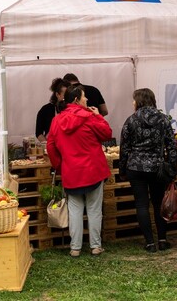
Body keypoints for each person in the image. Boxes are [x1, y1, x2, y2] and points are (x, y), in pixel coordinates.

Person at [46, 84, 112, 257]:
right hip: (93, 170)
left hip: (71, 172)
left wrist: (60, 165)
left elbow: (51, 146)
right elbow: (106, 134)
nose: (87, 99)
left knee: (74, 210)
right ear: (76, 99)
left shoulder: (57, 120)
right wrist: (99, 116)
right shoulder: (89, 116)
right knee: (94, 209)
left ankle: (75, 248)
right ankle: (95, 246)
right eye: (84, 97)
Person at [119, 88, 177, 253]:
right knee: (159, 203)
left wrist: (122, 170)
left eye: (134, 100)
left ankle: (150, 243)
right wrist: (172, 169)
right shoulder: (163, 120)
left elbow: (124, 148)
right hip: (157, 169)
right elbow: (171, 147)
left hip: (136, 168)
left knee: (141, 204)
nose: (132, 103)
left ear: (139, 101)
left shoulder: (131, 121)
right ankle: (163, 240)